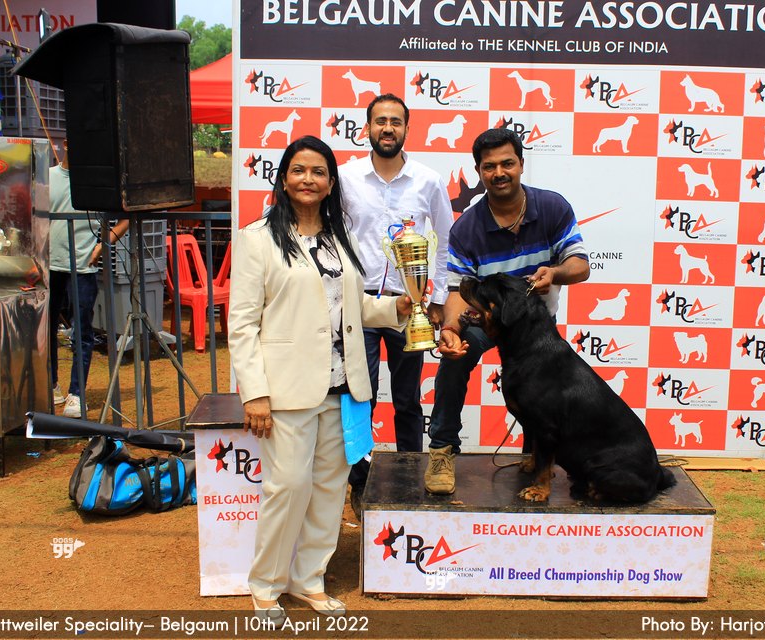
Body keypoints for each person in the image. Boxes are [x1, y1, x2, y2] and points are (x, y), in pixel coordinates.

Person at [228, 136, 411, 619]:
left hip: (344, 387)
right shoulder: (257, 239)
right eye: (299, 170)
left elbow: (352, 305)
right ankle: (266, 585)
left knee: (330, 489)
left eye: (318, 172)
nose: (308, 179)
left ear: (331, 184)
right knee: (288, 487)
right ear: (284, 179)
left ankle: (309, 579)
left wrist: (394, 309)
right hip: (286, 390)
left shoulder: (337, 237)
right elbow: (242, 325)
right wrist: (255, 394)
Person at [424, 128, 591, 495]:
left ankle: (534, 454)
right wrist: (450, 329)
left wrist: (556, 272)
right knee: (454, 360)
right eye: (489, 166)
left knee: (538, 390)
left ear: (521, 165)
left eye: (507, 163)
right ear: (478, 171)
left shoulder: (552, 207)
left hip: (535, 324)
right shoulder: (466, 227)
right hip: (487, 321)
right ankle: (442, 450)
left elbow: (580, 265)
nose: (499, 173)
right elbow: (458, 291)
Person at [339, 93, 453, 513]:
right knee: (360, 396)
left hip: (410, 306)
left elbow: (447, 240)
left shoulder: (428, 180)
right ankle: (359, 483)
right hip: (360, 306)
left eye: (396, 122)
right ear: (367, 128)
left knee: (407, 399)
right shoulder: (346, 178)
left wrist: (436, 297)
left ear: (406, 128)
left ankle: (408, 478)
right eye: (380, 121)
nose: (388, 128)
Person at [49, 139, 128, 418]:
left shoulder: (96, 181)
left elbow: (126, 217)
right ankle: (51, 384)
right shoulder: (47, 177)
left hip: (83, 266)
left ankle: (77, 393)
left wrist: (103, 245)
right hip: (48, 265)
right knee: (44, 330)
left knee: (81, 331)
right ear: (65, 144)